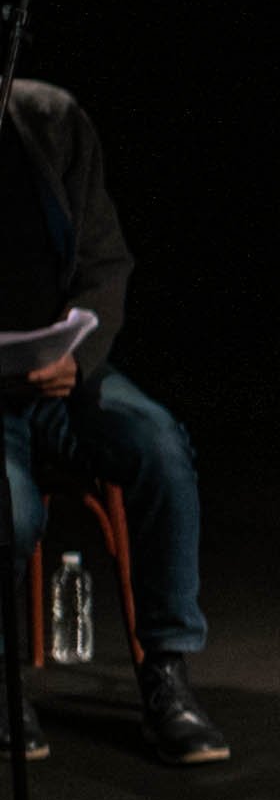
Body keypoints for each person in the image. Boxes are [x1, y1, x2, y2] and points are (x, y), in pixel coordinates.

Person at [0, 77, 226, 762]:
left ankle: (166, 671)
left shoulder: (51, 120)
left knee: (158, 446)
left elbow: (106, 263)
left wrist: (78, 356)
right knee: (11, 511)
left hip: (65, 373)